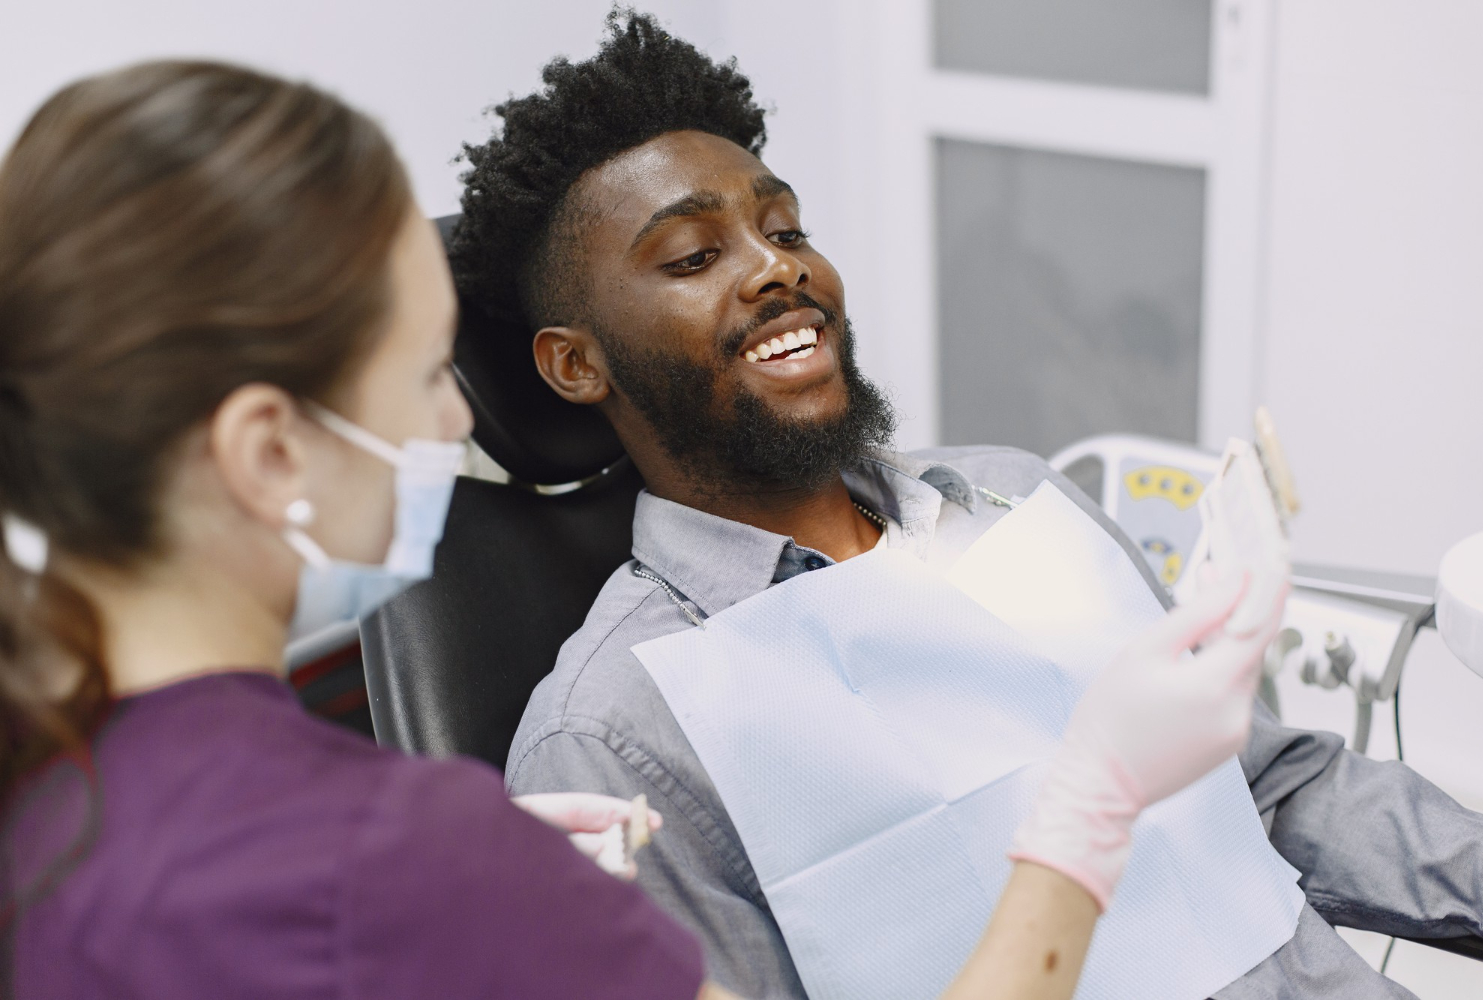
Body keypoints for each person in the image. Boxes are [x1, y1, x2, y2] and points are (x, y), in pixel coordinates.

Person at [0, 58, 1283, 1000]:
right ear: (268, 449)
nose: (454, 418)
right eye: (417, 374)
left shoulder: (45, 794)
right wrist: (1089, 804)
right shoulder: (504, 797)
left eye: (784, 228)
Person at [468, 12, 1483, 1000]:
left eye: (785, 228)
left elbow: (1271, 791)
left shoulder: (1017, 498)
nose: (777, 267)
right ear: (574, 363)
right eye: (695, 257)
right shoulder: (611, 736)